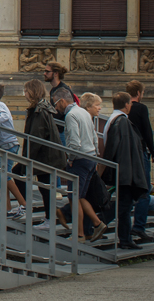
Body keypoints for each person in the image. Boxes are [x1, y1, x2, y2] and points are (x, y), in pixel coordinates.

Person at [100, 91, 151, 248]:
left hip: (123, 172)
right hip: (125, 173)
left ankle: (123, 237)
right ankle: (100, 226)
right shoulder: (121, 122)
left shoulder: (115, 121)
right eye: (130, 104)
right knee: (123, 206)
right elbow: (119, 149)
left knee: (123, 206)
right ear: (127, 105)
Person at [54, 89, 106, 242]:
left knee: (74, 197)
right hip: (90, 158)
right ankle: (95, 224)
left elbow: (74, 143)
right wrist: (95, 154)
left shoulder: (71, 116)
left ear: (62, 101)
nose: (56, 108)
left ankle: (80, 234)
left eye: (56, 104)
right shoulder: (83, 112)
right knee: (80, 196)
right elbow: (94, 137)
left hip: (79, 160)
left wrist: (70, 159)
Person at [22, 79, 68, 229]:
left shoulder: (39, 111)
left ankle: (49, 217)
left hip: (45, 157)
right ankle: (50, 216)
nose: (25, 94)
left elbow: (37, 136)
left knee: (45, 187)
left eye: (26, 91)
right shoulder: (42, 108)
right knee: (45, 187)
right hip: (47, 156)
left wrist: (27, 159)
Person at [0, 82, 28, 218]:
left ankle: (24, 204)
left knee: (4, 176)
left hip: (9, 145)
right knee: (2, 177)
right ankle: (7, 208)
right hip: (5, 146)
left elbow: (5, 117)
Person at [125, 80, 154, 237]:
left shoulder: (123, 109)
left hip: (125, 155)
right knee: (144, 190)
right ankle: (139, 226)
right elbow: (147, 131)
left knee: (127, 191)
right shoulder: (141, 108)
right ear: (138, 93)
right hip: (140, 153)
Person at [41, 62, 74, 142]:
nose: (44, 73)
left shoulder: (63, 89)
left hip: (62, 130)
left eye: (47, 71)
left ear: (56, 73)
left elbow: (66, 110)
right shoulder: (53, 90)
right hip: (57, 128)